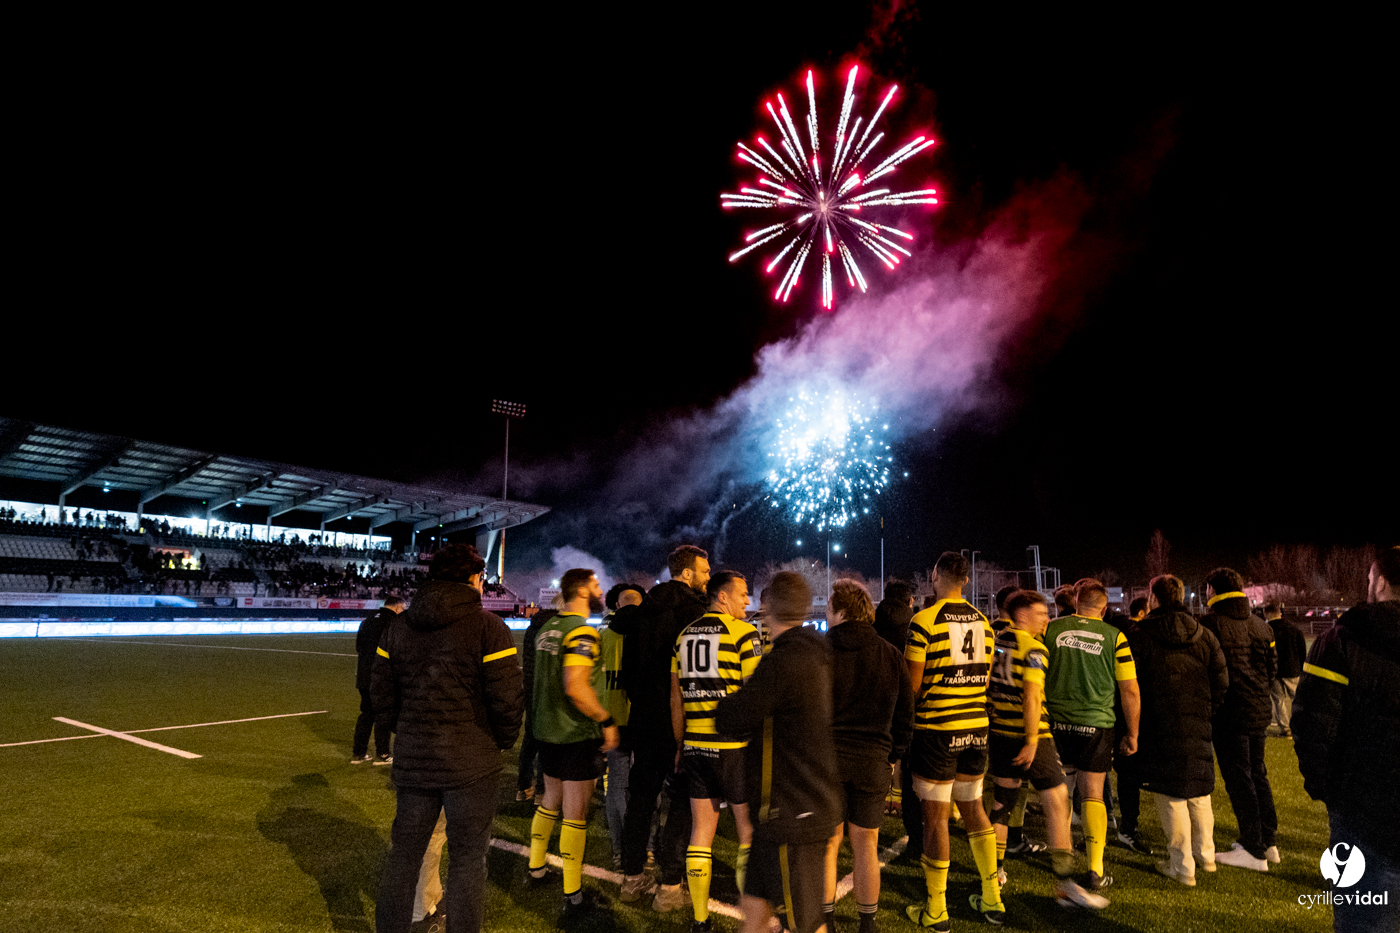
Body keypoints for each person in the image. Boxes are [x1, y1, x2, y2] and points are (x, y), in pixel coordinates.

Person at [371, 544, 523, 933]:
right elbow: (506, 698)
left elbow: (380, 695)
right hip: (470, 762)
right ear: (474, 579)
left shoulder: (398, 627)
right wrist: (501, 740)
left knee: (404, 857)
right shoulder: (488, 627)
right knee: (469, 860)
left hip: (416, 759)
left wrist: (402, 732)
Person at [715, 571, 841, 933]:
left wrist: (718, 698)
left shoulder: (783, 661)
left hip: (793, 812)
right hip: (783, 811)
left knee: (806, 923)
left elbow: (735, 715)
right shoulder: (812, 651)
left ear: (769, 606)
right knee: (753, 905)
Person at [1292, 545, 1400, 933]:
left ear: (1381, 582)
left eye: (1370, 578)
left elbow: (1312, 725)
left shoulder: (1342, 640)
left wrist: (1329, 790)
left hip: (1363, 815)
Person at [903, 551, 1004, 930]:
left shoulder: (924, 621)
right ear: (965, 580)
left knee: (935, 819)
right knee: (974, 808)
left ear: (937, 574)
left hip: (937, 730)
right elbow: (985, 675)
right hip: (976, 728)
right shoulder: (985, 623)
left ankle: (936, 909)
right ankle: (992, 899)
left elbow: (913, 684)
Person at [988, 590, 1106, 910]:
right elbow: (1031, 696)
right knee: (1057, 799)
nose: (1047, 619)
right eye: (1041, 614)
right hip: (1031, 736)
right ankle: (1066, 884)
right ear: (1023, 615)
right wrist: (1030, 740)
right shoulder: (1033, 647)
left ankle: (993, 875)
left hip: (999, 734)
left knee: (1003, 802)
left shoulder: (998, 640)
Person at [615, 545, 710, 909]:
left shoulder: (641, 611)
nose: (706, 577)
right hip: (679, 721)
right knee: (684, 800)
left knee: (641, 799)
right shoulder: (695, 613)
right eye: (703, 571)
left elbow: (627, 675)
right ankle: (670, 886)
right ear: (685, 573)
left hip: (642, 720)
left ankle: (632, 878)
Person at [525, 568, 620, 924]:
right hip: (575, 733)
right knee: (575, 814)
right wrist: (605, 719)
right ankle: (573, 895)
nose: (600, 589)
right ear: (582, 590)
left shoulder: (549, 627)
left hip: (546, 730)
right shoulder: (582, 631)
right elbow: (575, 685)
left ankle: (535, 868)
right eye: (595, 585)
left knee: (550, 800)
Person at [672, 570, 762, 933]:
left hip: (695, 745)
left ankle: (699, 919)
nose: (747, 601)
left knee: (701, 832)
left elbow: (675, 698)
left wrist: (680, 744)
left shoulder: (683, 636)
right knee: (747, 833)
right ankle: (752, 921)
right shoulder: (743, 633)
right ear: (721, 597)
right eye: (742, 594)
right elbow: (754, 695)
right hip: (734, 748)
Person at [824, 579, 913, 933]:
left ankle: (826, 919)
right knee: (867, 844)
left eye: (830, 608)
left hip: (827, 760)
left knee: (829, 843)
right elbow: (907, 714)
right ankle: (867, 923)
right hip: (873, 760)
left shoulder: (820, 650)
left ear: (842, 611)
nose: (827, 615)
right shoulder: (890, 653)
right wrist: (894, 755)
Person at [1126, 574, 1227, 887]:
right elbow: (1221, 680)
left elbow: (1131, 682)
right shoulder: (1204, 634)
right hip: (1197, 719)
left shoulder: (1140, 633)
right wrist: (1205, 710)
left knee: (1170, 793)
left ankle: (1182, 866)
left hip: (1157, 722)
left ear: (1154, 599)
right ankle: (1205, 856)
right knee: (1198, 790)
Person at [1043, 578, 1140, 895]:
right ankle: (1095, 868)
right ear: (1104, 606)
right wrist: (1132, 733)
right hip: (1096, 726)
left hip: (1056, 723)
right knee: (1093, 795)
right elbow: (1130, 691)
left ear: (1076, 599)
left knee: (1061, 792)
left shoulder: (1051, 630)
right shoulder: (1115, 637)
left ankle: (1062, 857)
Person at [1199, 567, 1279, 872]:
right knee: (1257, 773)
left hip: (1230, 713)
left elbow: (1209, 673)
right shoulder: (1262, 626)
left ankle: (1253, 848)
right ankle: (1267, 842)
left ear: (1212, 590)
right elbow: (1271, 669)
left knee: (1240, 778)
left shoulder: (1210, 624)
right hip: (1258, 709)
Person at [600, 583, 646, 868]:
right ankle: (645, 848)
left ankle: (619, 850)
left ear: (616, 606)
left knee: (616, 787)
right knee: (644, 790)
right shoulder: (651, 635)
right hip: (643, 720)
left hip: (613, 720)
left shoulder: (601, 637)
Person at [1113, 597, 1153, 854]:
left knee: (1115, 776)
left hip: (1112, 716)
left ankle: (1121, 825)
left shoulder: (1126, 638)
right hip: (1137, 715)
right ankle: (1128, 827)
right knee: (1128, 774)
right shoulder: (1141, 638)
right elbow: (1131, 690)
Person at [353, 596, 405, 764]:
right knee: (384, 715)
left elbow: (358, 647)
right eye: (403, 608)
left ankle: (358, 753)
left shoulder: (367, 621)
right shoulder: (394, 623)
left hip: (363, 675)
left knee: (366, 714)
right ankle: (382, 754)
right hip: (382, 677)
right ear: (397, 608)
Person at [1266, 599, 1305, 737]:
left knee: (1279, 700)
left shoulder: (1266, 630)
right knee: (1297, 698)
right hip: (1293, 670)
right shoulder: (1294, 629)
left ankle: (1286, 728)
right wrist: (1301, 667)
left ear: (1268, 614)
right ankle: (1302, 726)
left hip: (1275, 671)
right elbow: (1302, 650)